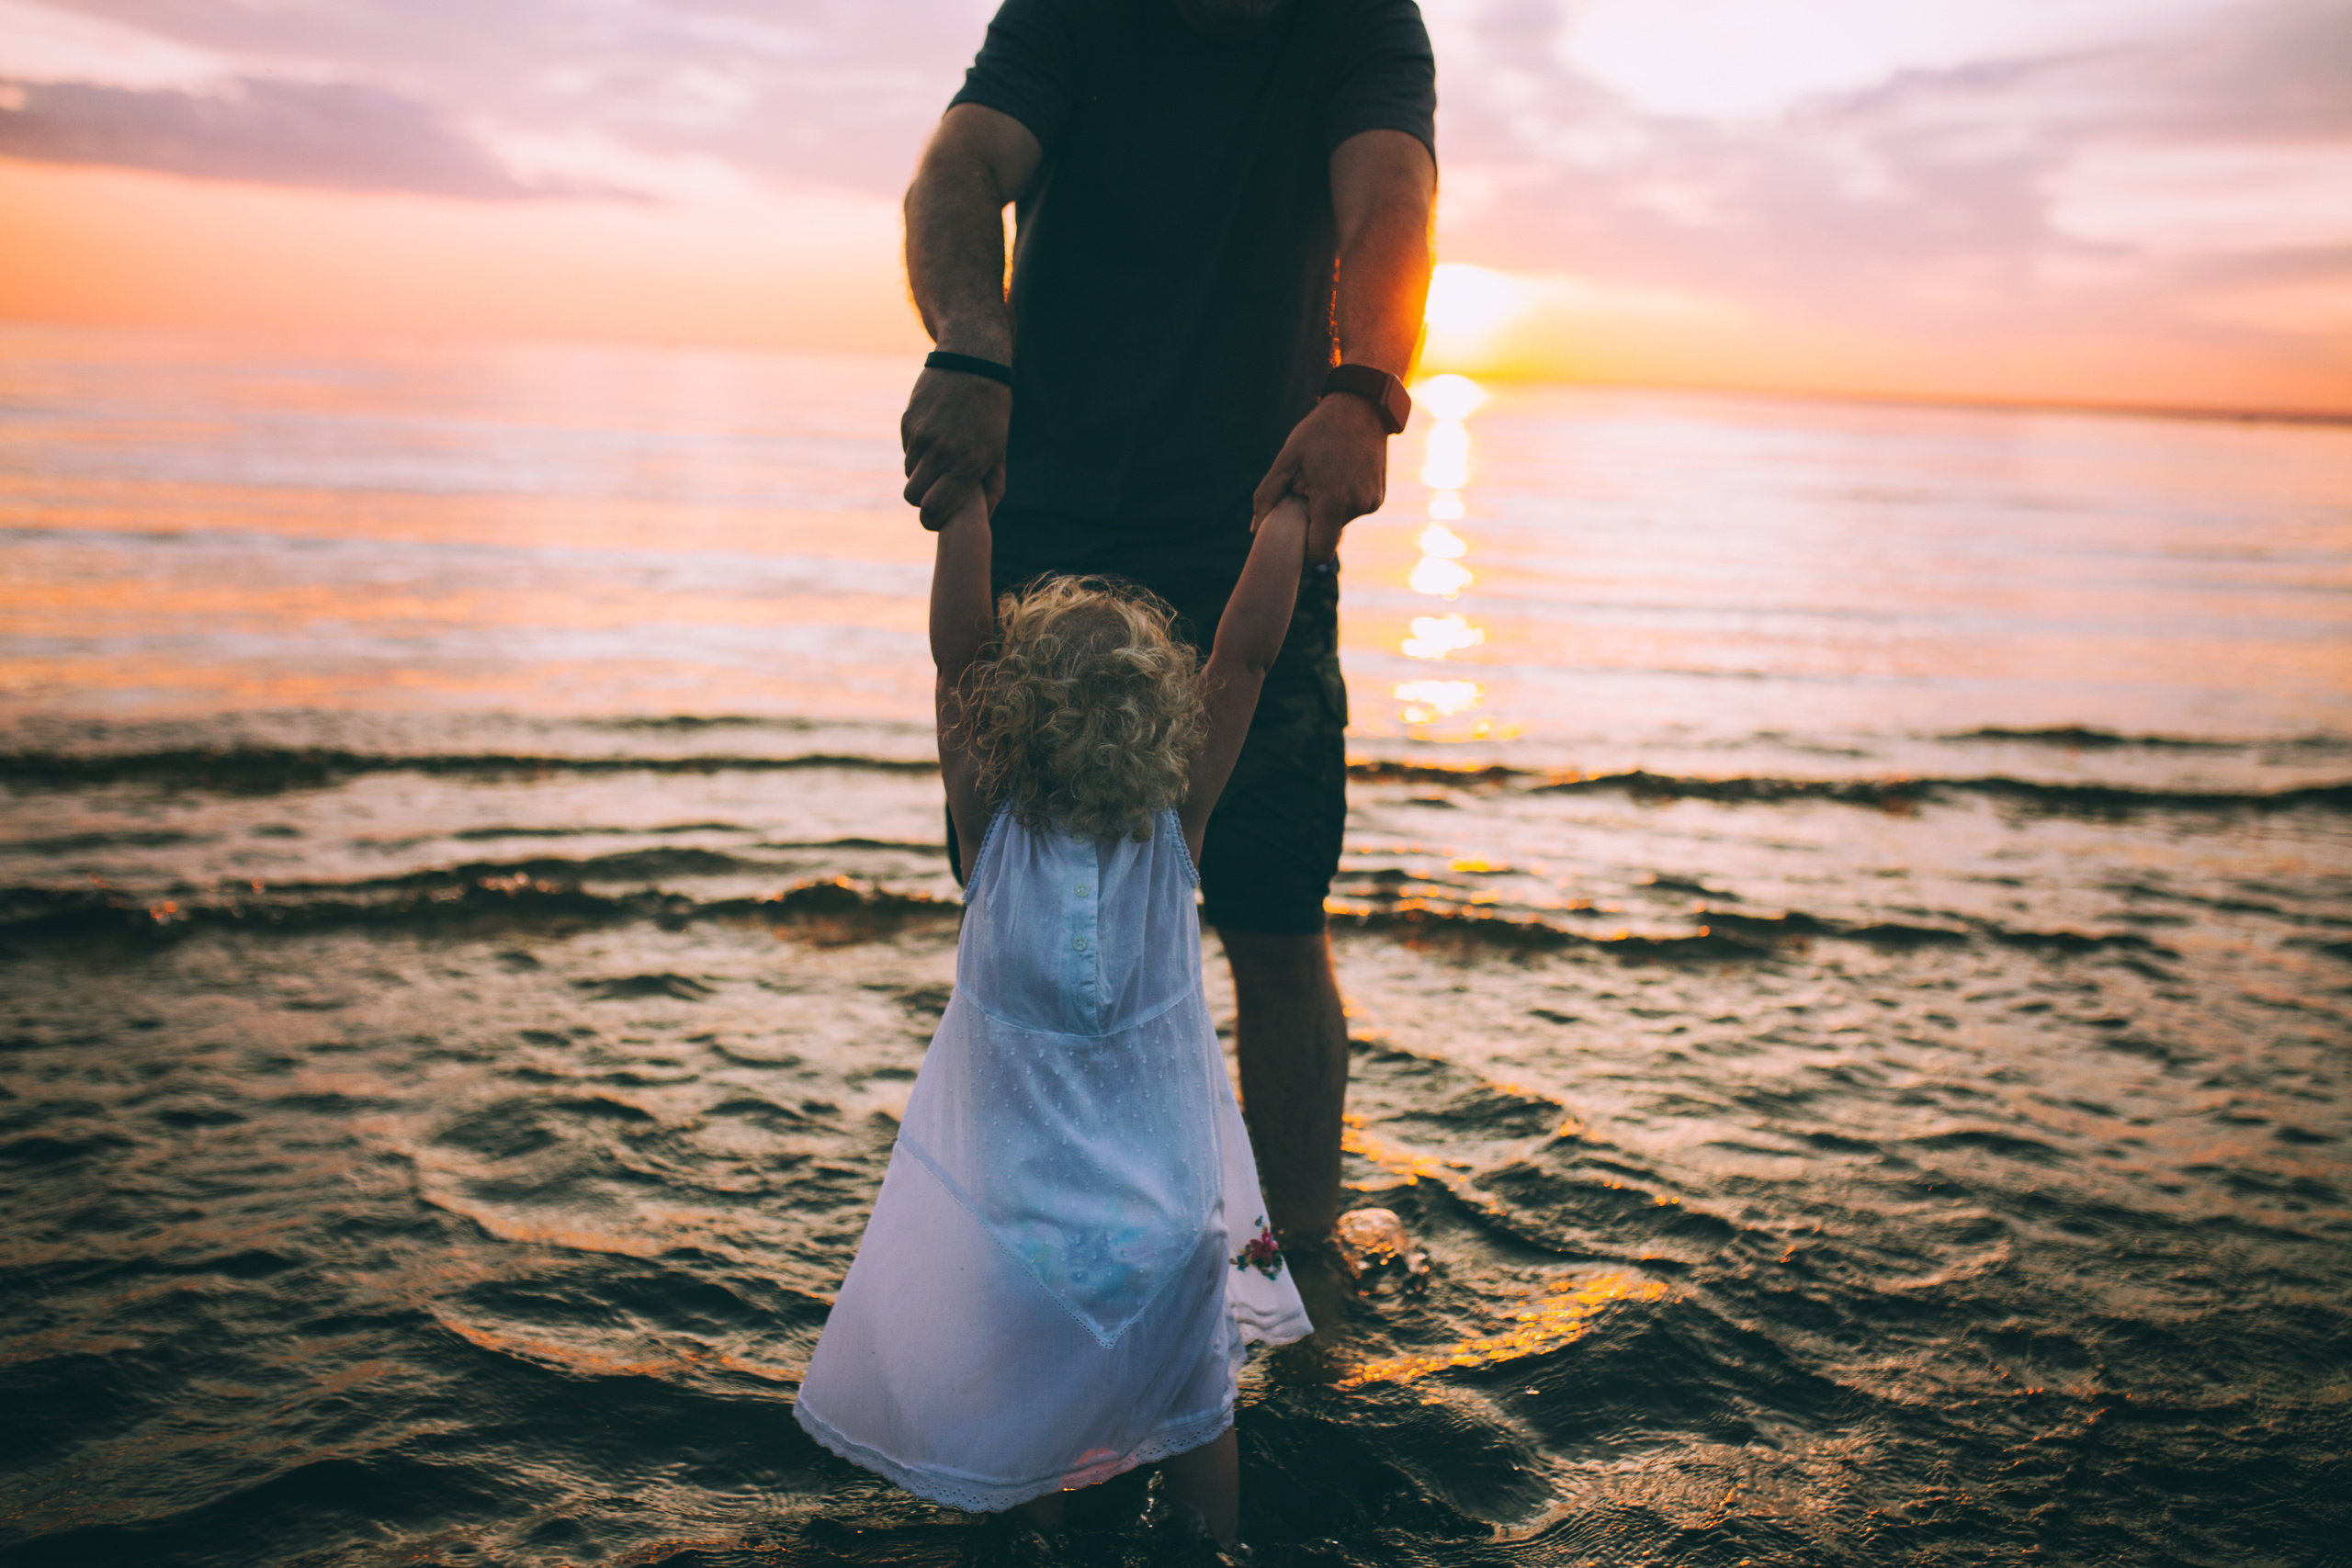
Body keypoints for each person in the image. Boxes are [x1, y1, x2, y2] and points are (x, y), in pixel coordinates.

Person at [896, 0, 1439, 1250]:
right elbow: (961, 166)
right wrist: (974, 353)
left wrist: (1364, 387)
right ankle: (1017, 1239)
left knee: (1275, 918)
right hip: (1049, 520)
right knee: (1015, 908)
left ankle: (1296, 1268)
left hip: (1256, 513)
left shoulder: (1359, 23)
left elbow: (1391, 199)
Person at [793, 490, 1319, 1555]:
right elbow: (1248, 658)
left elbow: (950, 655)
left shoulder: (991, 837)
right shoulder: (1173, 834)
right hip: (1168, 1229)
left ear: (1008, 712)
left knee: (1020, 1432)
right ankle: (1211, 1546)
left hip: (1020, 1238)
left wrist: (966, 512)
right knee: (1195, 1412)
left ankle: (1032, 1528)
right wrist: (1289, 522)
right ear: (1160, 711)